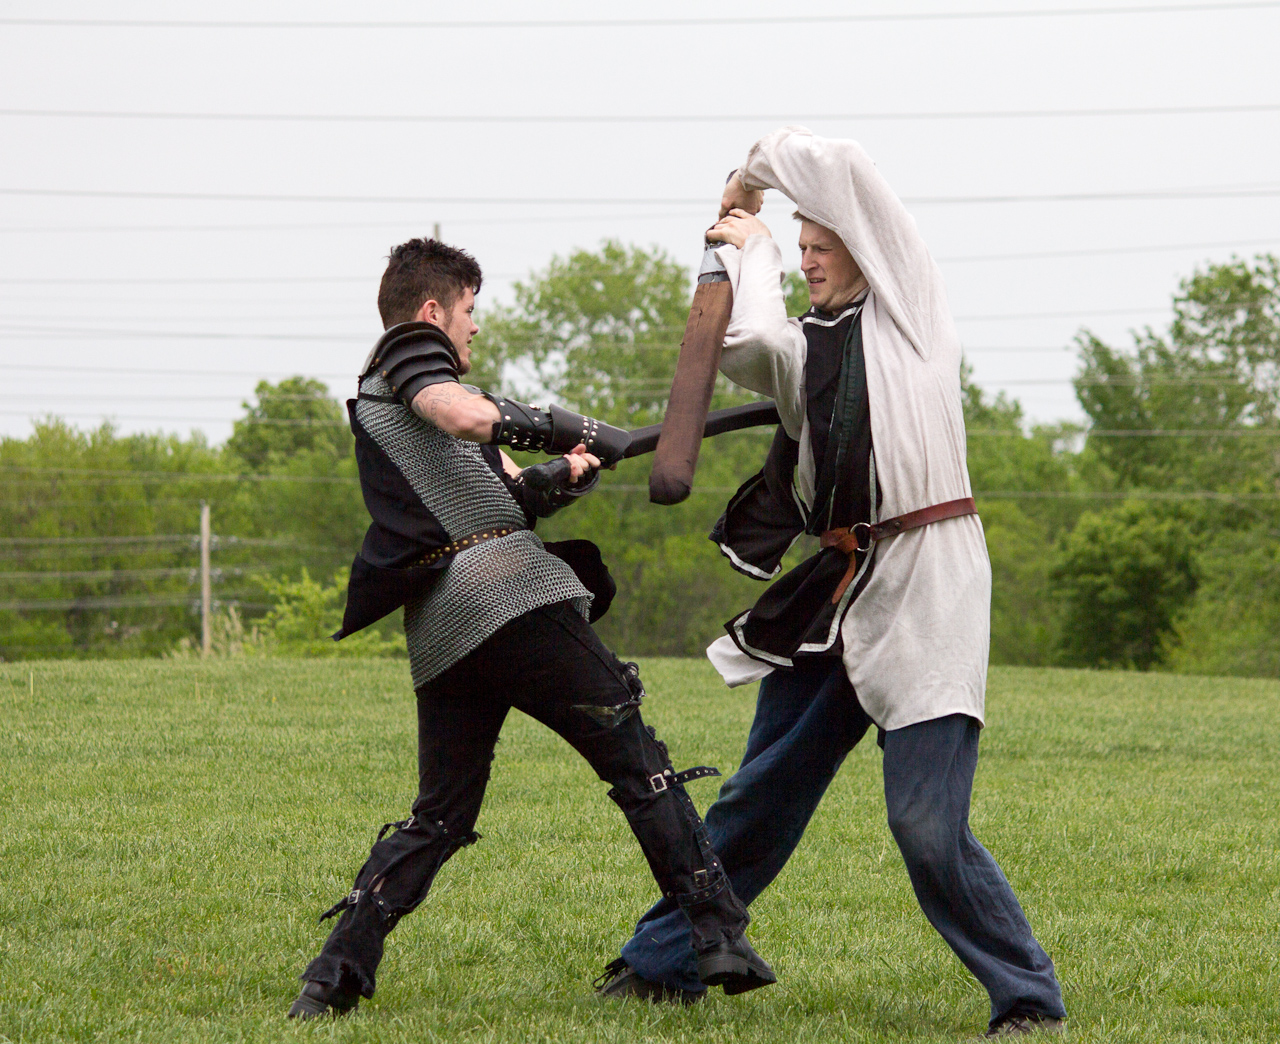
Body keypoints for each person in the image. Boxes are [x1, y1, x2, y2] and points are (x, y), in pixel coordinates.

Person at [595, 128, 1067, 1038]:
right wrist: (756, 246)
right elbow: (748, 339)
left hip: (928, 588)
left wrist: (750, 177)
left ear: (866, 248)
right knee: (758, 795)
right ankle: (663, 965)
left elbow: (841, 165)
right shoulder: (804, 354)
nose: (810, 260)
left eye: (822, 247)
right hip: (838, 590)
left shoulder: (912, 314)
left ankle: (1029, 1000)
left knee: (926, 827)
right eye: (803, 249)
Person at [287, 238, 774, 1019]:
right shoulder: (411, 355)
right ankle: (718, 935)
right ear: (432, 311)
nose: (474, 327)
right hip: (509, 598)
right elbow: (461, 412)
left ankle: (332, 976)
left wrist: (561, 473)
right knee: (639, 763)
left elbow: (500, 500)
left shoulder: (403, 404)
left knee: (440, 816)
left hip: (445, 628)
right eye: (469, 311)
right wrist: (558, 424)